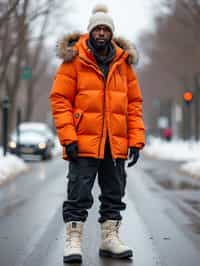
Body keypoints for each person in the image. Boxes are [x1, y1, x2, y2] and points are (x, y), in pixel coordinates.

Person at [50, 4, 145, 263]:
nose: (101, 33)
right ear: (90, 31)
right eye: (97, 28)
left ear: (111, 33)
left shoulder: (123, 64)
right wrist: (68, 138)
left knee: (114, 192)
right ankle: (73, 241)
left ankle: (109, 239)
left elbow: (134, 104)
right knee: (78, 194)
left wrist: (135, 140)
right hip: (83, 141)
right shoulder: (74, 60)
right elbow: (60, 100)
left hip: (115, 142)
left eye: (106, 29)